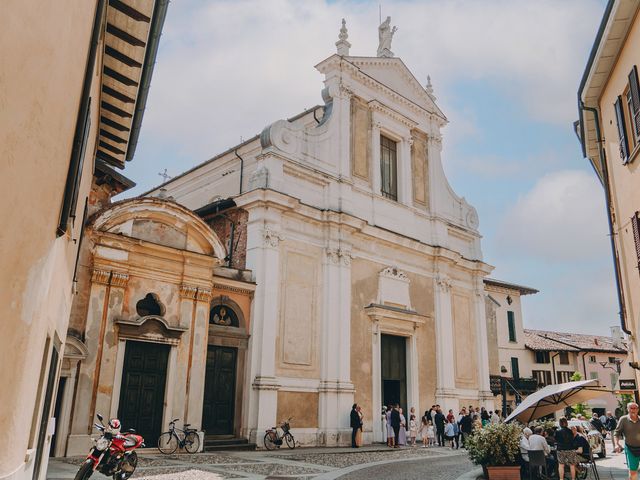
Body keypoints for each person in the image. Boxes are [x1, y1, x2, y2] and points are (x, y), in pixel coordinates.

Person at [614, 402, 640, 480]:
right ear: (628, 409)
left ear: (638, 410)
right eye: (631, 408)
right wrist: (616, 444)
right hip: (631, 449)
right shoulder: (623, 419)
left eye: (635, 408)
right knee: (633, 471)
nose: (633, 410)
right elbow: (617, 433)